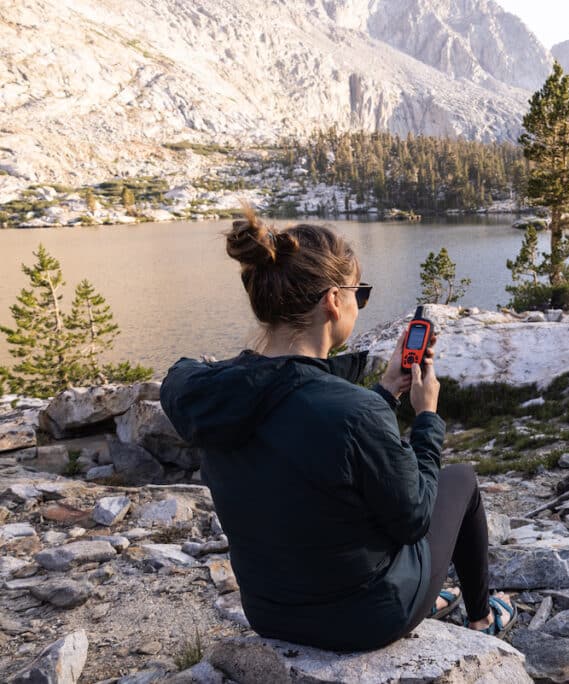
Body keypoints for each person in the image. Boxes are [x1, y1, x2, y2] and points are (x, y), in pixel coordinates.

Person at [159, 209, 515, 651]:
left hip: (270, 612)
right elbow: (415, 518)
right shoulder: (352, 411)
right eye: (358, 295)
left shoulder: (215, 395)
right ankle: (483, 618)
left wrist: (384, 392)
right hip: (365, 618)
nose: (358, 304)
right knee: (460, 480)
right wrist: (426, 418)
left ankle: (435, 596)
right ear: (332, 300)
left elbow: (308, 433)